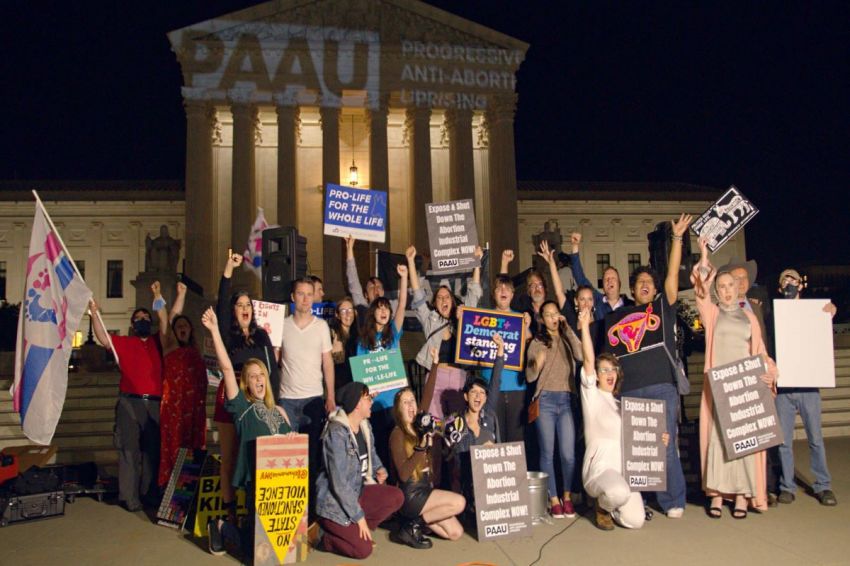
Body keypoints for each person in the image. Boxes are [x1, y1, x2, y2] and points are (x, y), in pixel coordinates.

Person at [611, 213, 692, 518]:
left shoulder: (663, 307)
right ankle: (640, 500)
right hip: (630, 388)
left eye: (648, 282)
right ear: (632, 291)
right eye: (639, 282)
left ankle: (673, 499)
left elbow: (672, 276)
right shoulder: (621, 318)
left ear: (655, 290)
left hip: (661, 386)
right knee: (637, 448)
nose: (644, 285)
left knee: (664, 443)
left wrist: (676, 239)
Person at [692, 239, 776, 517]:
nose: (726, 291)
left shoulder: (749, 318)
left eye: (730, 286)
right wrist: (704, 254)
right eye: (722, 287)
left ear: (737, 288)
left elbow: (761, 352)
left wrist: (769, 373)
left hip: (744, 388)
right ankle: (716, 495)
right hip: (719, 387)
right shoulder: (712, 314)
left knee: (743, 442)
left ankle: (742, 495)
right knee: (718, 440)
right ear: (717, 290)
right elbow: (700, 292)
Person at [200, 308, 294, 556]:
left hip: (282, 489)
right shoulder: (242, 407)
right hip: (257, 484)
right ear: (247, 383)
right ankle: (221, 526)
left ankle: (237, 529)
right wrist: (213, 330)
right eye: (252, 377)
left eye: (261, 375)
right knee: (255, 554)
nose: (259, 380)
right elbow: (228, 369)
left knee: (279, 551)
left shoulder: (280, 413)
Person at [578, 309, 668, 530]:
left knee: (635, 521)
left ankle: (613, 505)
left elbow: (639, 439)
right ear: (597, 375)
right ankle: (601, 505)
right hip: (599, 470)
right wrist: (585, 328)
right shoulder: (591, 395)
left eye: (613, 369)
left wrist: (659, 440)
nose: (610, 373)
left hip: (624, 472)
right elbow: (589, 359)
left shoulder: (623, 406)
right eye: (604, 370)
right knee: (617, 491)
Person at [214, 250, 279, 525]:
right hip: (233, 398)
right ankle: (231, 512)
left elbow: (271, 369)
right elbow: (219, 305)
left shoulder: (262, 334)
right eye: (239, 304)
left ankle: (255, 510)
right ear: (233, 310)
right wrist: (228, 268)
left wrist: (276, 404)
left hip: (259, 400)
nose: (244, 308)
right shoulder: (227, 335)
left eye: (248, 305)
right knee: (229, 457)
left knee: (257, 456)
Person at [90, 287, 164, 512]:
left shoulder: (158, 342)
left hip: (153, 402)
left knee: (152, 452)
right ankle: (129, 497)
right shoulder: (123, 343)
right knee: (129, 450)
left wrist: (158, 298)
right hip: (128, 402)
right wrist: (94, 313)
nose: (142, 320)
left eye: (146, 318)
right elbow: (103, 337)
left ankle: (149, 495)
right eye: (138, 319)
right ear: (132, 324)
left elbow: (167, 319)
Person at [314, 382, 404, 560]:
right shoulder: (336, 434)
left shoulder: (364, 425)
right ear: (356, 404)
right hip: (334, 505)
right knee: (363, 551)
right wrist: (359, 516)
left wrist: (379, 469)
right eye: (367, 398)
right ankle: (326, 539)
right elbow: (339, 485)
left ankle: (357, 531)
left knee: (396, 496)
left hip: (358, 491)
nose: (371, 401)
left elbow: (371, 455)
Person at [389, 345, 465, 549]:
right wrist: (421, 449)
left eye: (412, 400)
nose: (411, 405)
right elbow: (404, 475)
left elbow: (429, 394)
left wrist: (435, 363)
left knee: (455, 533)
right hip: (411, 493)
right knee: (459, 503)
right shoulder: (397, 434)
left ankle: (413, 525)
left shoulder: (418, 424)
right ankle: (411, 524)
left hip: (425, 489)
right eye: (405, 403)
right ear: (398, 409)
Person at [774, 268, 838, 507]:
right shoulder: (774, 313)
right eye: (785, 280)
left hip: (809, 387)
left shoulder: (816, 311)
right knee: (784, 442)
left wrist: (830, 312)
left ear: (801, 285)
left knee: (816, 439)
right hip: (784, 389)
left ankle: (824, 486)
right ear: (780, 287)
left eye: (794, 279)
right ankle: (787, 486)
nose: (790, 283)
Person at [406, 244, 483, 420]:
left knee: (456, 423)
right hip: (435, 376)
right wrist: (411, 261)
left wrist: (477, 261)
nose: (443, 300)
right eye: (439, 298)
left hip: (458, 376)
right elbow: (417, 295)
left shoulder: (462, 320)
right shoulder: (430, 319)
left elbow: (474, 294)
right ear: (435, 303)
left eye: (446, 297)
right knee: (433, 424)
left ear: (452, 301)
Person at [526, 300, 583, 519]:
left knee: (568, 455)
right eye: (547, 314)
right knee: (547, 453)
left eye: (555, 313)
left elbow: (580, 355)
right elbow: (529, 375)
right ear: (541, 319)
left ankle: (567, 496)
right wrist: (536, 364)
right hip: (546, 400)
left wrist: (567, 327)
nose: (552, 318)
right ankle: (553, 499)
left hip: (567, 399)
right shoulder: (538, 341)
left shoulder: (567, 338)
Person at [356, 263, 409, 469]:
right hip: (376, 405)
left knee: (399, 448)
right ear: (372, 313)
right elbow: (361, 376)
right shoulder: (363, 341)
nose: (384, 311)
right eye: (379, 308)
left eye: (387, 308)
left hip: (395, 404)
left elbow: (403, 304)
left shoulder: (394, 333)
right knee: (379, 450)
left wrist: (403, 278)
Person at [444, 333, 505, 507]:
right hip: (466, 487)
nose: (478, 397)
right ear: (465, 396)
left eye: (481, 393)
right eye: (473, 392)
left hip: (491, 486)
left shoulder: (489, 414)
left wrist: (500, 350)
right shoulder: (455, 423)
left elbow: (495, 382)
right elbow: (451, 465)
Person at [157, 281, 207, 488]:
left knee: (193, 448)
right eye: (179, 327)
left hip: (194, 408)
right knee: (174, 448)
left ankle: (189, 488)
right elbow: (164, 319)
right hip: (174, 409)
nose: (182, 328)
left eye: (186, 326)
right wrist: (159, 296)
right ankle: (170, 488)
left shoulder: (196, 351)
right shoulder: (169, 346)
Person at [479, 262, 532, 446]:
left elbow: (530, 347)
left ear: (512, 294)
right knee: (494, 440)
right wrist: (463, 317)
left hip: (517, 387)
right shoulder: (481, 318)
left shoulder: (520, 318)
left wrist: (526, 326)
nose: (503, 290)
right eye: (499, 288)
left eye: (507, 288)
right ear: (493, 294)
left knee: (517, 442)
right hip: (491, 386)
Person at [278, 277, 335, 431]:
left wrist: (330, 396)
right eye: (301, 294)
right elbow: (275, 359)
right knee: (288, 451)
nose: (305, 299)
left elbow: (327, 363)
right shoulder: (282, 325)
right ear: (292, 297)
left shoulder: (321, 326)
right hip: (287, 399)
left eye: (309, 294)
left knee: (312, 450)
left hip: (313, 398)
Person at [567, 232, 634, 321]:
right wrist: (575, 246)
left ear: (619, 283)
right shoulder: (597, 300)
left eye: (613, 278)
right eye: (606, 279)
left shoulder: (630, 305)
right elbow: (580, 278)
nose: (609, 281)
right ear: (603, 286)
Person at [345, 235, 397, 324]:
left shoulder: (394, 306)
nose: (376, 289)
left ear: (383, 291)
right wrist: (349, 248)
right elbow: (353, 280)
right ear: (366, 295)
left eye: (378, 286)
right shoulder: (363, 307)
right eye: (371, 287)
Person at [329, 297, 358, 393]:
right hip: (339, 388)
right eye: (343, 311)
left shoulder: (358, 334)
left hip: (355, 385)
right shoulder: (332, 334)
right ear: (337, 315)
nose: (348, 314)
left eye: (350, 310)